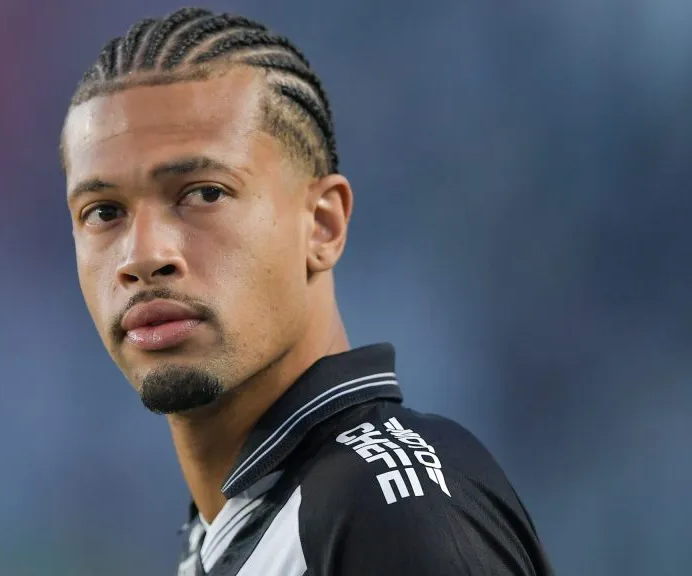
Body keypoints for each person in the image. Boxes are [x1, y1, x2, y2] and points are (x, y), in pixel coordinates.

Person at [60, 7, 555, 575]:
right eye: (103, 211)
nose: (142, 256)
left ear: (322, 225)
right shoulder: (243, 524)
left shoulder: (387, 509)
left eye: (204, 193)